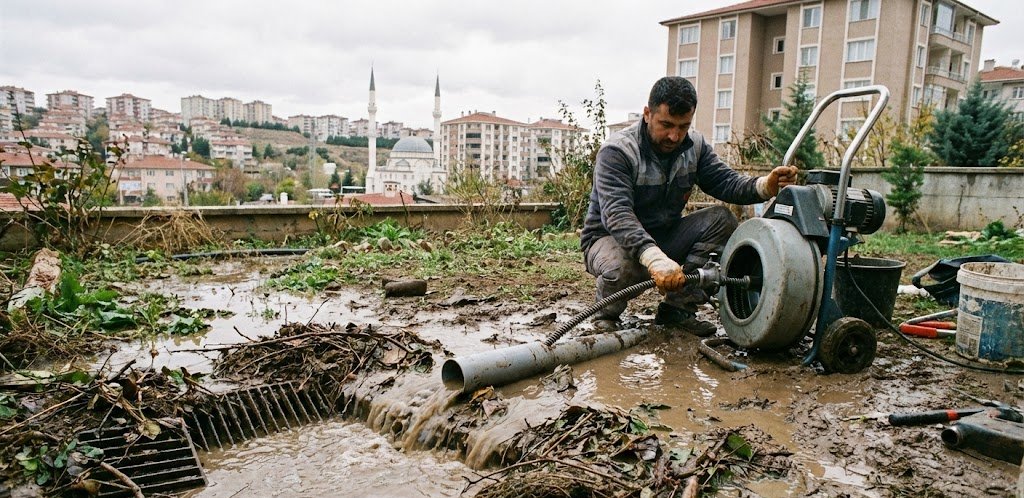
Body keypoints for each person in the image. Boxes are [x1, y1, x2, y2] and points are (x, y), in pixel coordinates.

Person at [580, 76, 798, 336]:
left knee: (722, 219)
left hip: (665, 236)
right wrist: (654, 258)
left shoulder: (694, 147)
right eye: (666, 125)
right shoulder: (618, 152)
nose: (674, 135)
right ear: (647, 114)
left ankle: (678, 311)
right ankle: (605, 317)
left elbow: (726, 183)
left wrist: (766, 186)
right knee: (622, 265)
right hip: (607, 239)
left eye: (683, 126)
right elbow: (617, 215)